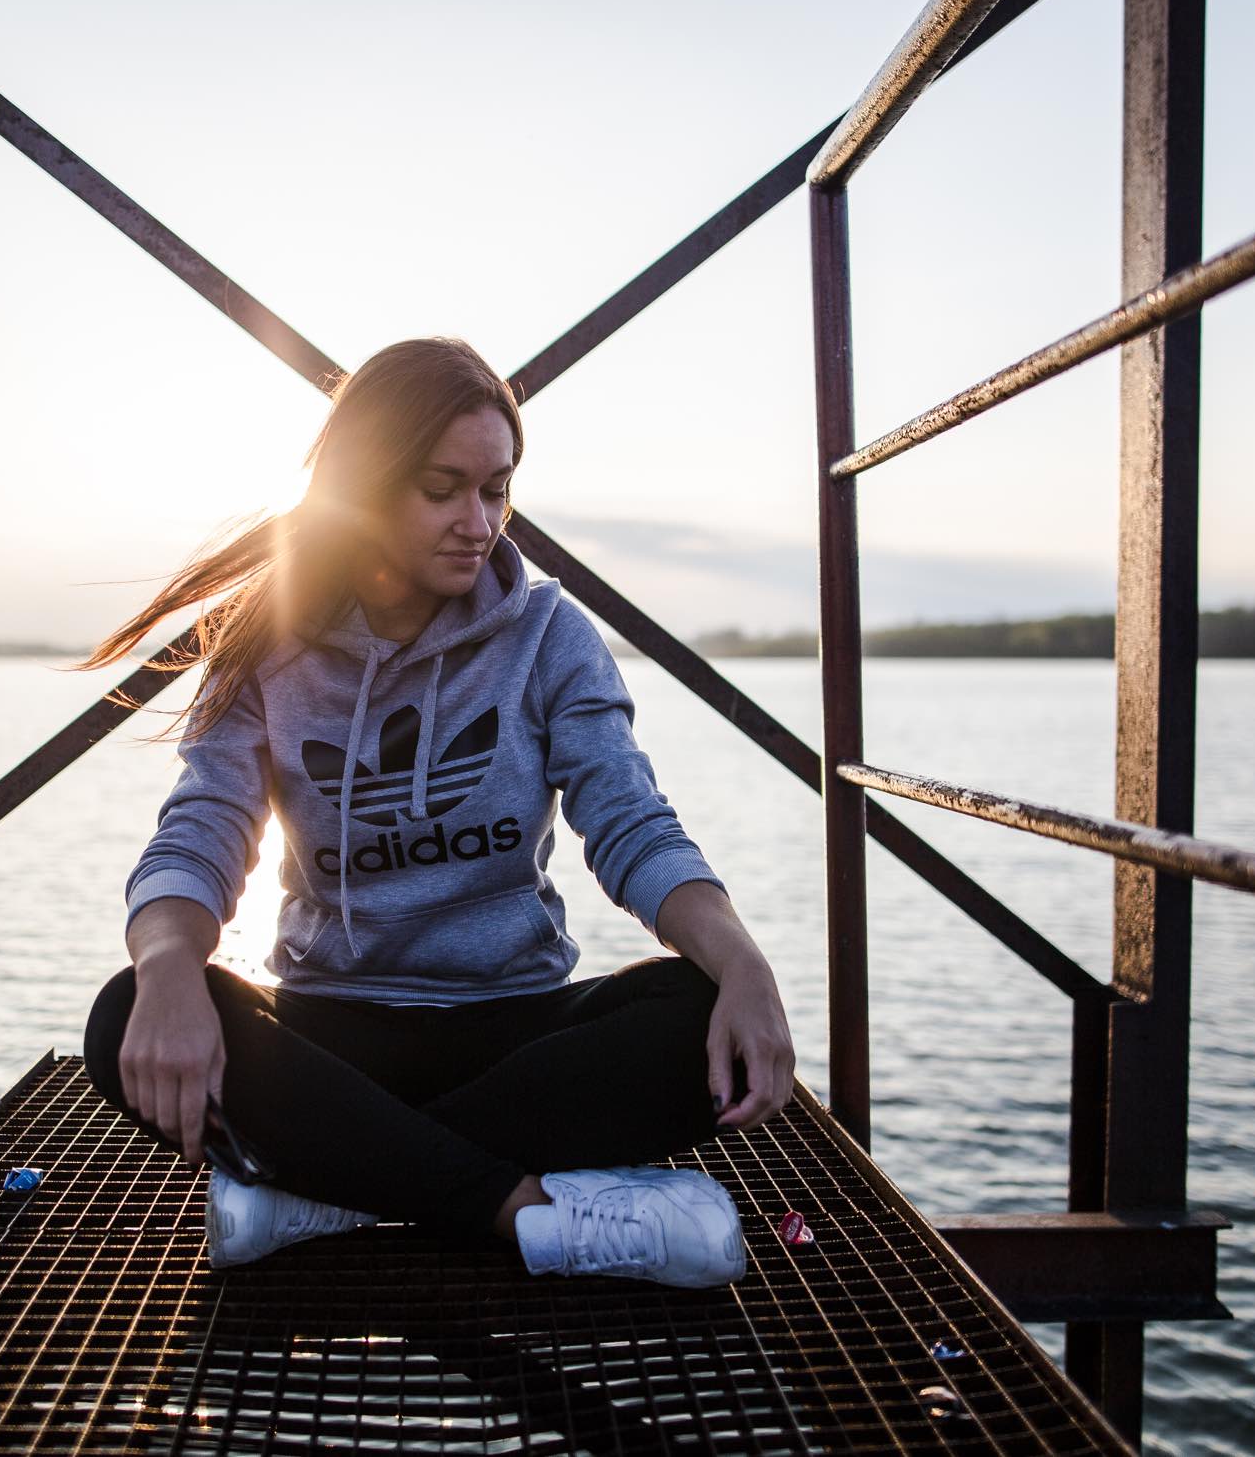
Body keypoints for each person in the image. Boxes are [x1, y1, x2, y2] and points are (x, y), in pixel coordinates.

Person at [78, 336, 795, 1288]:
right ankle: (526, 1211)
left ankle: (324, 1186)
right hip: (334, 1027)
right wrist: (168, 966)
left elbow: (630, 819)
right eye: (441, 488)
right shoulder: (265, 643)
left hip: (514, 1026)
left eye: (496, 489)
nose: (478, 522)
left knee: (699, 1011)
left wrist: (743, 961)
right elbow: (202, 827)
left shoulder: (548, 634)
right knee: (128, 1009)